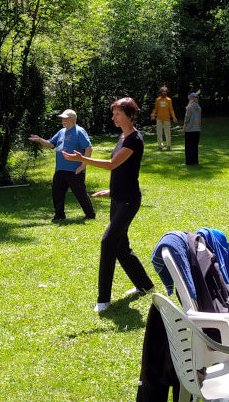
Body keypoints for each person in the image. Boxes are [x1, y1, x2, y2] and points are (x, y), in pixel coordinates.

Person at [62, 97, 155, 312]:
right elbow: (125, 171)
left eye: (117, 114)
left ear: (129, 115)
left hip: (129, 201)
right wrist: (112, 191)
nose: (113, 117)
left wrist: (82, 160)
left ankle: (103, 299)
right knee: (121, 247)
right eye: (113, 114)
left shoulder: (134, 139)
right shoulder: (123, 136)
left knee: (108, 242)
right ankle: (145, 285)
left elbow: (113, 164)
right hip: (118, 198)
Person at [29, 109, 96, 222]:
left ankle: (90, 214)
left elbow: (88, 148)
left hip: (75, 169)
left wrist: (83, 165)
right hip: (60, 169)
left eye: (65, 118)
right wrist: (40, 140)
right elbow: (51, 144)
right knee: (57, 193)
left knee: (80, 194)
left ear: (72, 119)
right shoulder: (61, 131)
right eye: (63, 118)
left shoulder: (79, 131)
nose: (63, 120)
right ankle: (59, 215)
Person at [149, 86, 178, 150]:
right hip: (159, 118)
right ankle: (160, 146)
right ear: (161, 92)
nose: (164, 93)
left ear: (167, 92)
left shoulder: (169, 100)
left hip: (167, 118)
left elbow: (171, 109)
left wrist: (173, 117)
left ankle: (168, 145)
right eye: (163, 91)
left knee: (167, 133)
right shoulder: (158, 99)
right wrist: (153, 114)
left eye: (165, 91)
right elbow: (155, 109)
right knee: (159, 133)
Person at [183, 93, 202, 165]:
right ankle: (195, 161)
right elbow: (196, 118)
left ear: (191, 99)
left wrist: (184, 126)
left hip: (189, 129)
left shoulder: (190, 107)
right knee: (195, 146)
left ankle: (189, 162)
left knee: (188, 146)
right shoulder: (199, 107)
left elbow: (187, 118)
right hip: (197, 129)